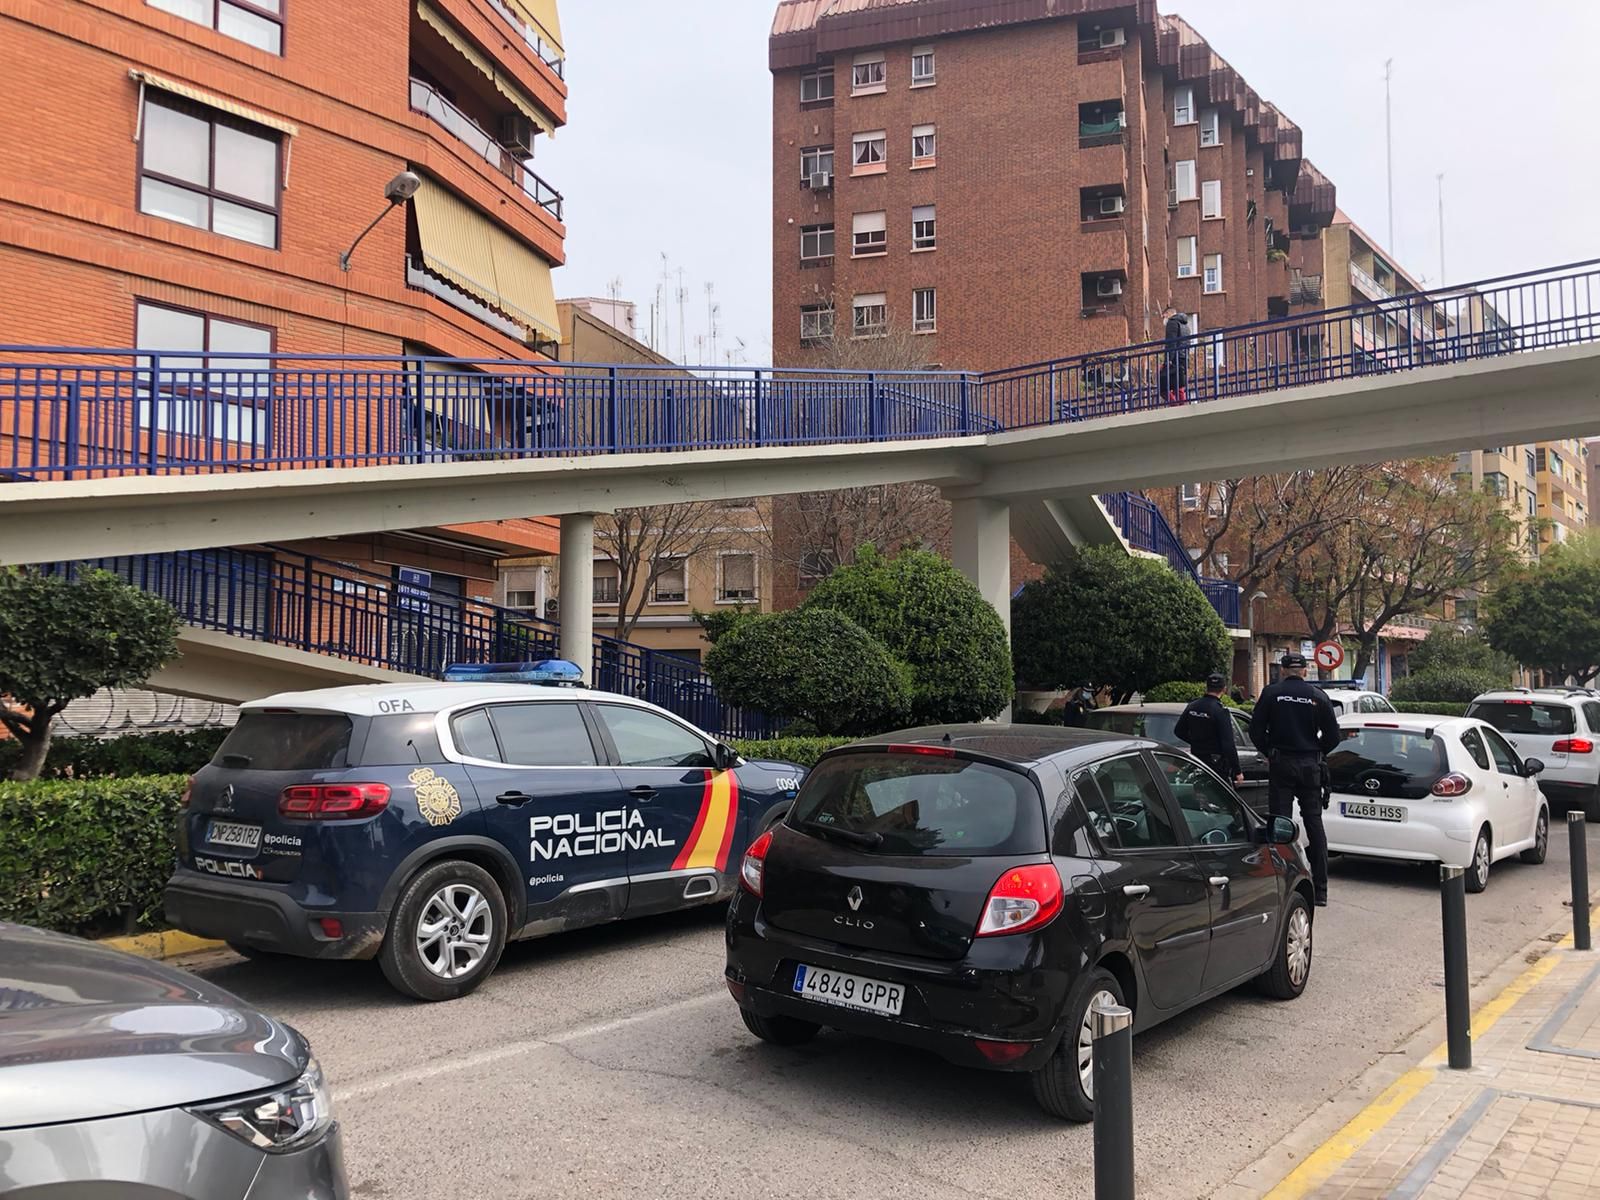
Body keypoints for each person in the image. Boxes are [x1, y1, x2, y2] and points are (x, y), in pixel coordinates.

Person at [1249, 651, 1342, 907]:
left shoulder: (1271, 694)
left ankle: (1282, 881)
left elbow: (1255, 730)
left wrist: (1270, 751)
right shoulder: (1317, 696)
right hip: (1310, 765)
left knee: (1280, 824)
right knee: (1314, 824)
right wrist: (1316, 750)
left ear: (1282, 670)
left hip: (1281, 763)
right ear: (1304, 670)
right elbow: (1334, 736)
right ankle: (1321, 890)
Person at [1174, 673, 1242, 786]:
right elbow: (1228, 744)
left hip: (1197, 760)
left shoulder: (1192, 706)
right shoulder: (1220, 711)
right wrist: (1238, 771)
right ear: (1224, 689)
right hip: (1216, 763)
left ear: (1207, 687)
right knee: (1221, 798)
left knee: (1200, 793)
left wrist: (1196, 742)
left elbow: (1179, 731)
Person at [1160, 306, 1189, 404]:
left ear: (1168, 314)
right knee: (1178, 385)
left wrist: (1167, 359)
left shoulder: (1172, 323)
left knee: (1163, 387)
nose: (1163, 319)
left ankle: (1175, 404)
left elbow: (1171, 343)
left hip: (1174, 358)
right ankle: (1181, 405)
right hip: (1183, 357)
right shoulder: (1185, 325)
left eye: (1163, 316)